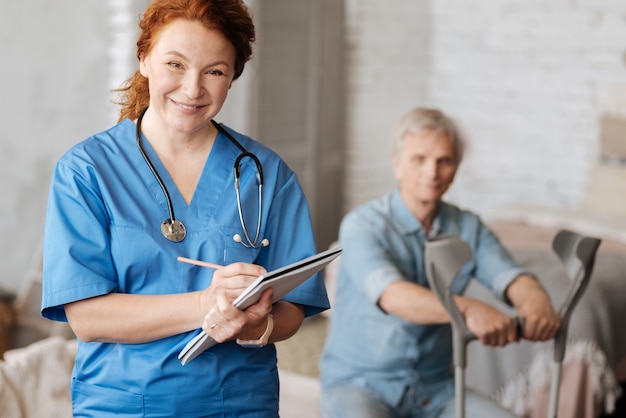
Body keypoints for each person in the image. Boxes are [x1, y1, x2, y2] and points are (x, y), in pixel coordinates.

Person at [40, 0, 329, 416]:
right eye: (175, 64)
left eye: (214, 71)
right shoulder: (87, 171)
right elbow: (86, 315)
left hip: (239, 403)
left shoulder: (266, 175)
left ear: (232, 78)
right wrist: (204, 305)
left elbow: (292, 310)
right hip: (124, 405)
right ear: (144, 60)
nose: (193, 89)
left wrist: (257, 325)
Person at [318, 107, 561, 418]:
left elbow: (510, 275)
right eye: (419, 159)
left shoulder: (468, 227)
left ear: (456, 168)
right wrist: (470, 309)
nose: (431, 173)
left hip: (437, 387)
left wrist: (535, 301)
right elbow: (393, 296)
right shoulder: (362, 225)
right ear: (398, 165)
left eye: (443, 161)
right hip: (359, 383)